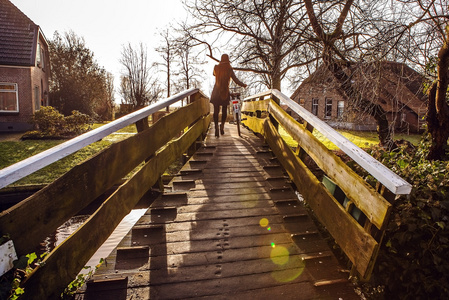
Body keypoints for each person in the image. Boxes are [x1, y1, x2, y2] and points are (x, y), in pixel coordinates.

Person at [210, 54, 247, 137]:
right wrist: (243, 84)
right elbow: (235, 80)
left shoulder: (216, 67)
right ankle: (222, 126)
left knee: (216, 110)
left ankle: (216, 127)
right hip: (224, 91)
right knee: (224, 110)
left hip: (216, 91)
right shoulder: (229, 69)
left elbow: (214, 74)